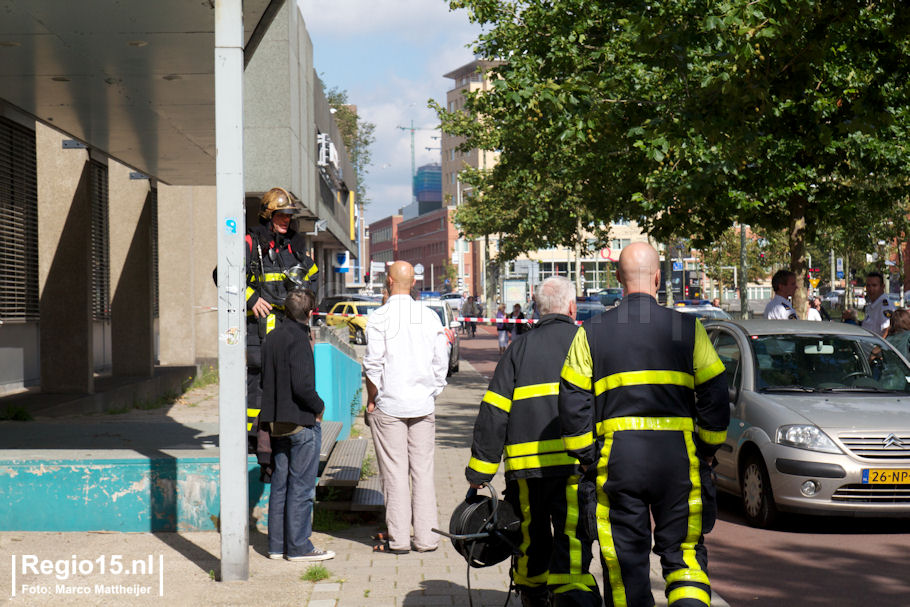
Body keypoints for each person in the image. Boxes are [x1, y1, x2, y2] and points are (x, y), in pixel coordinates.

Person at [559, 242, 729, 607]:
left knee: (625, 564)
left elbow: (573, 403)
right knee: (684, 558)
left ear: (617, 278)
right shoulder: (689, 328)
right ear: (658, 277)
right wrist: (707, 450)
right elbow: (716, 393)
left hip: (617, 462)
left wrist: (587, 456)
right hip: (679, 461)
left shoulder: (590, 332)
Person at [466, 277, 600, 607]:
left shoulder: (519, 349)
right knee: (571, 535)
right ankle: (570, 596)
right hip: (575, 467)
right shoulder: (586, 343)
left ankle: (533, 595)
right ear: (573, 307)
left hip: (528, 471)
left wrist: (480, 474)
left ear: (537, 309)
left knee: (531, 536)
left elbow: (494, 412)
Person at [363, 261, 449, 554]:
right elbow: (442, 361)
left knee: (394, 473)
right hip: (422, 405)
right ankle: (426, 539)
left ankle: (398, 540)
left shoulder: (379, 318)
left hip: (390, 404)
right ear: (413, 282)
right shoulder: (430, 317)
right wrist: (432, 391)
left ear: (388, 281)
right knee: (423, 472)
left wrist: (372, 399)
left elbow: (372, 365)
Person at [242, 187, 318, 475]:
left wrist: (306, 300)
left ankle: (282, 436)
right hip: (259, 331)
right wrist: (251, 298)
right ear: (268, 214)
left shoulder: (295, 246)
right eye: (281, 214)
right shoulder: (251, 243)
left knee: (291, 381)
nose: (286, 219)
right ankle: (255, 441)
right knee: (259, 384)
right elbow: (221, 275)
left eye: (289, 215)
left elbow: (312, 276)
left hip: (290, 329)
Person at [258, 288, 334, 562]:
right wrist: (319, 405)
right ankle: (300, 546)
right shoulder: (300, 340)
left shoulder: (272, 337)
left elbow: (265, 381)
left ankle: (277, 546)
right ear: (311, 313)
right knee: (301, 488)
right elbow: (302, 385)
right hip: (301, 422)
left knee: (279, 485)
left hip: (277, 422)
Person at [862, 272, 892, 337]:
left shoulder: (884, 306)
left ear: (882, 287)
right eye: (868, 285)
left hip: (874, 345)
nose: (870, 289)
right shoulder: (873, 303)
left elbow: (887, 329)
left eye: (874, 285)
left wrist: (878, 347)